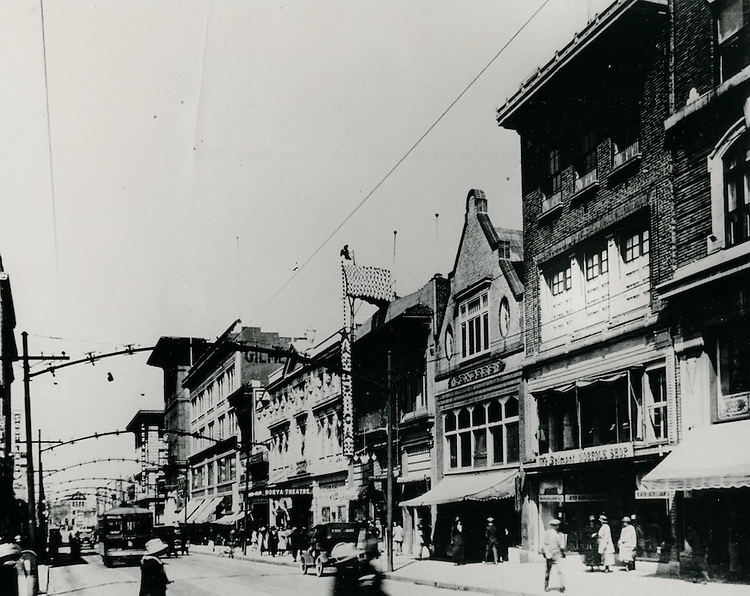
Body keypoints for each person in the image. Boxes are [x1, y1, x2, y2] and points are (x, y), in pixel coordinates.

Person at [541, 518, 565, 593]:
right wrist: (546, 552)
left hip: (555, 553)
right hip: (551, 553)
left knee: (558, 570)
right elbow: (544, 544)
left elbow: (562, 545)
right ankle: (547, 585)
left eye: (557, 525)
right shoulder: (549, 533)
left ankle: (561, 586)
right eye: (554, 525)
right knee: (550, 570)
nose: (556, 527)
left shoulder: (559, 534)